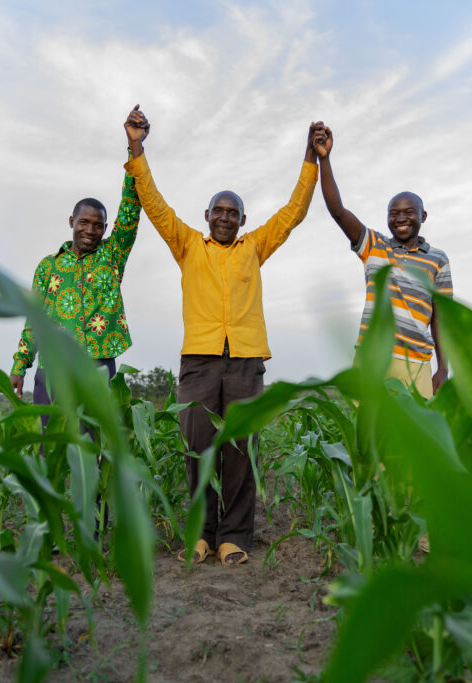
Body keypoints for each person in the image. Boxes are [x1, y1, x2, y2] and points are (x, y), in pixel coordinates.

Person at [123, 105, 319, 566]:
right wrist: (136, 146)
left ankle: (234, 536)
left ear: (243, 220)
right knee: (198, 450)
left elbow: (293, 213)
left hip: (246, 363)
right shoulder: (188, 244)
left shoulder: (255, 248)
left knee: (240, 451)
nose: (226, 219)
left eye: (234, 213)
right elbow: (153, 202)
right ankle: (200, 532)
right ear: (207, 215)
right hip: (199, 363)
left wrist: (310, 158)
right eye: (219, 211)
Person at [9, 107, 149, 417]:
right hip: (53, 365)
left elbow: (130, 207)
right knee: (51, 449)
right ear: (72, 221)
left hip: (98, 365)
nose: (90, 230)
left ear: (105, 229)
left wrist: (135, 147)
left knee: (93, 447)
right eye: (84, 222)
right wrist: (20, 364)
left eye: (98, 225)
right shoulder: (48, 266)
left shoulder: (111, 257)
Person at [311, 124, 452, 399]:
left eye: (409, 212)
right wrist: (324, 160)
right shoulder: (374, 245)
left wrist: (443, 368)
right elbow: (338, 211)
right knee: (368, 435)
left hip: (417, 363)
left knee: (412, 438)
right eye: (393, 213)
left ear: (423, 217)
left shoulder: (438, 260)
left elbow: (441, 316)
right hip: (372, 358)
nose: (400, 218)